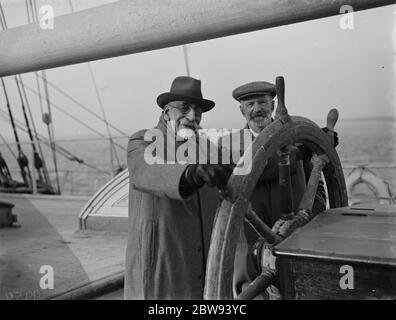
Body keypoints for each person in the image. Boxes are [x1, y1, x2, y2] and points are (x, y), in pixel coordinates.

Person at [124, 76, 233, 299]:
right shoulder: (142, 141)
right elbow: (144, 171)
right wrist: (191, 173)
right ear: (166, 113)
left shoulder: (209, 149)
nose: (192, 116)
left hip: (205, 266)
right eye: (185, 108)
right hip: (161, 264)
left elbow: (236, 175)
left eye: (198, 111)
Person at [229, 81, 330, 299]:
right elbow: (258, 164)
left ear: (273, 105)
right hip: (252, 256)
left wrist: (306, 221)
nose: (257, 109)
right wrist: (301, 151)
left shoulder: (298, 137)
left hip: (300, 246)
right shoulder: (230, 146)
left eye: (263, 102)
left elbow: (318, 188)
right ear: (241, 110)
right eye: (250, 104)